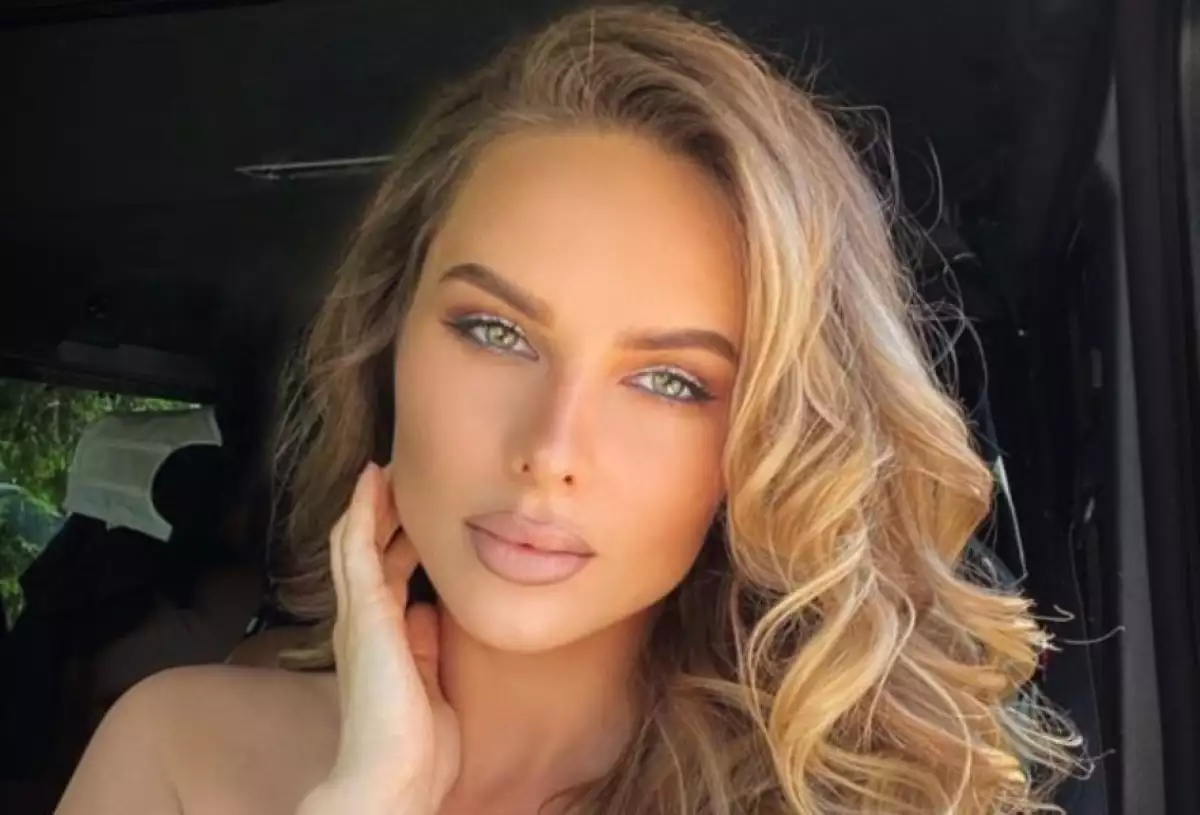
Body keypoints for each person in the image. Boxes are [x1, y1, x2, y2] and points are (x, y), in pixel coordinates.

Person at [54, 5, 1080, 814]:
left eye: (671, 380)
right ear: (387, 338)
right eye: (495, 331)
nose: (550, 450)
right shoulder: (179, 751)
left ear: (766, 439)